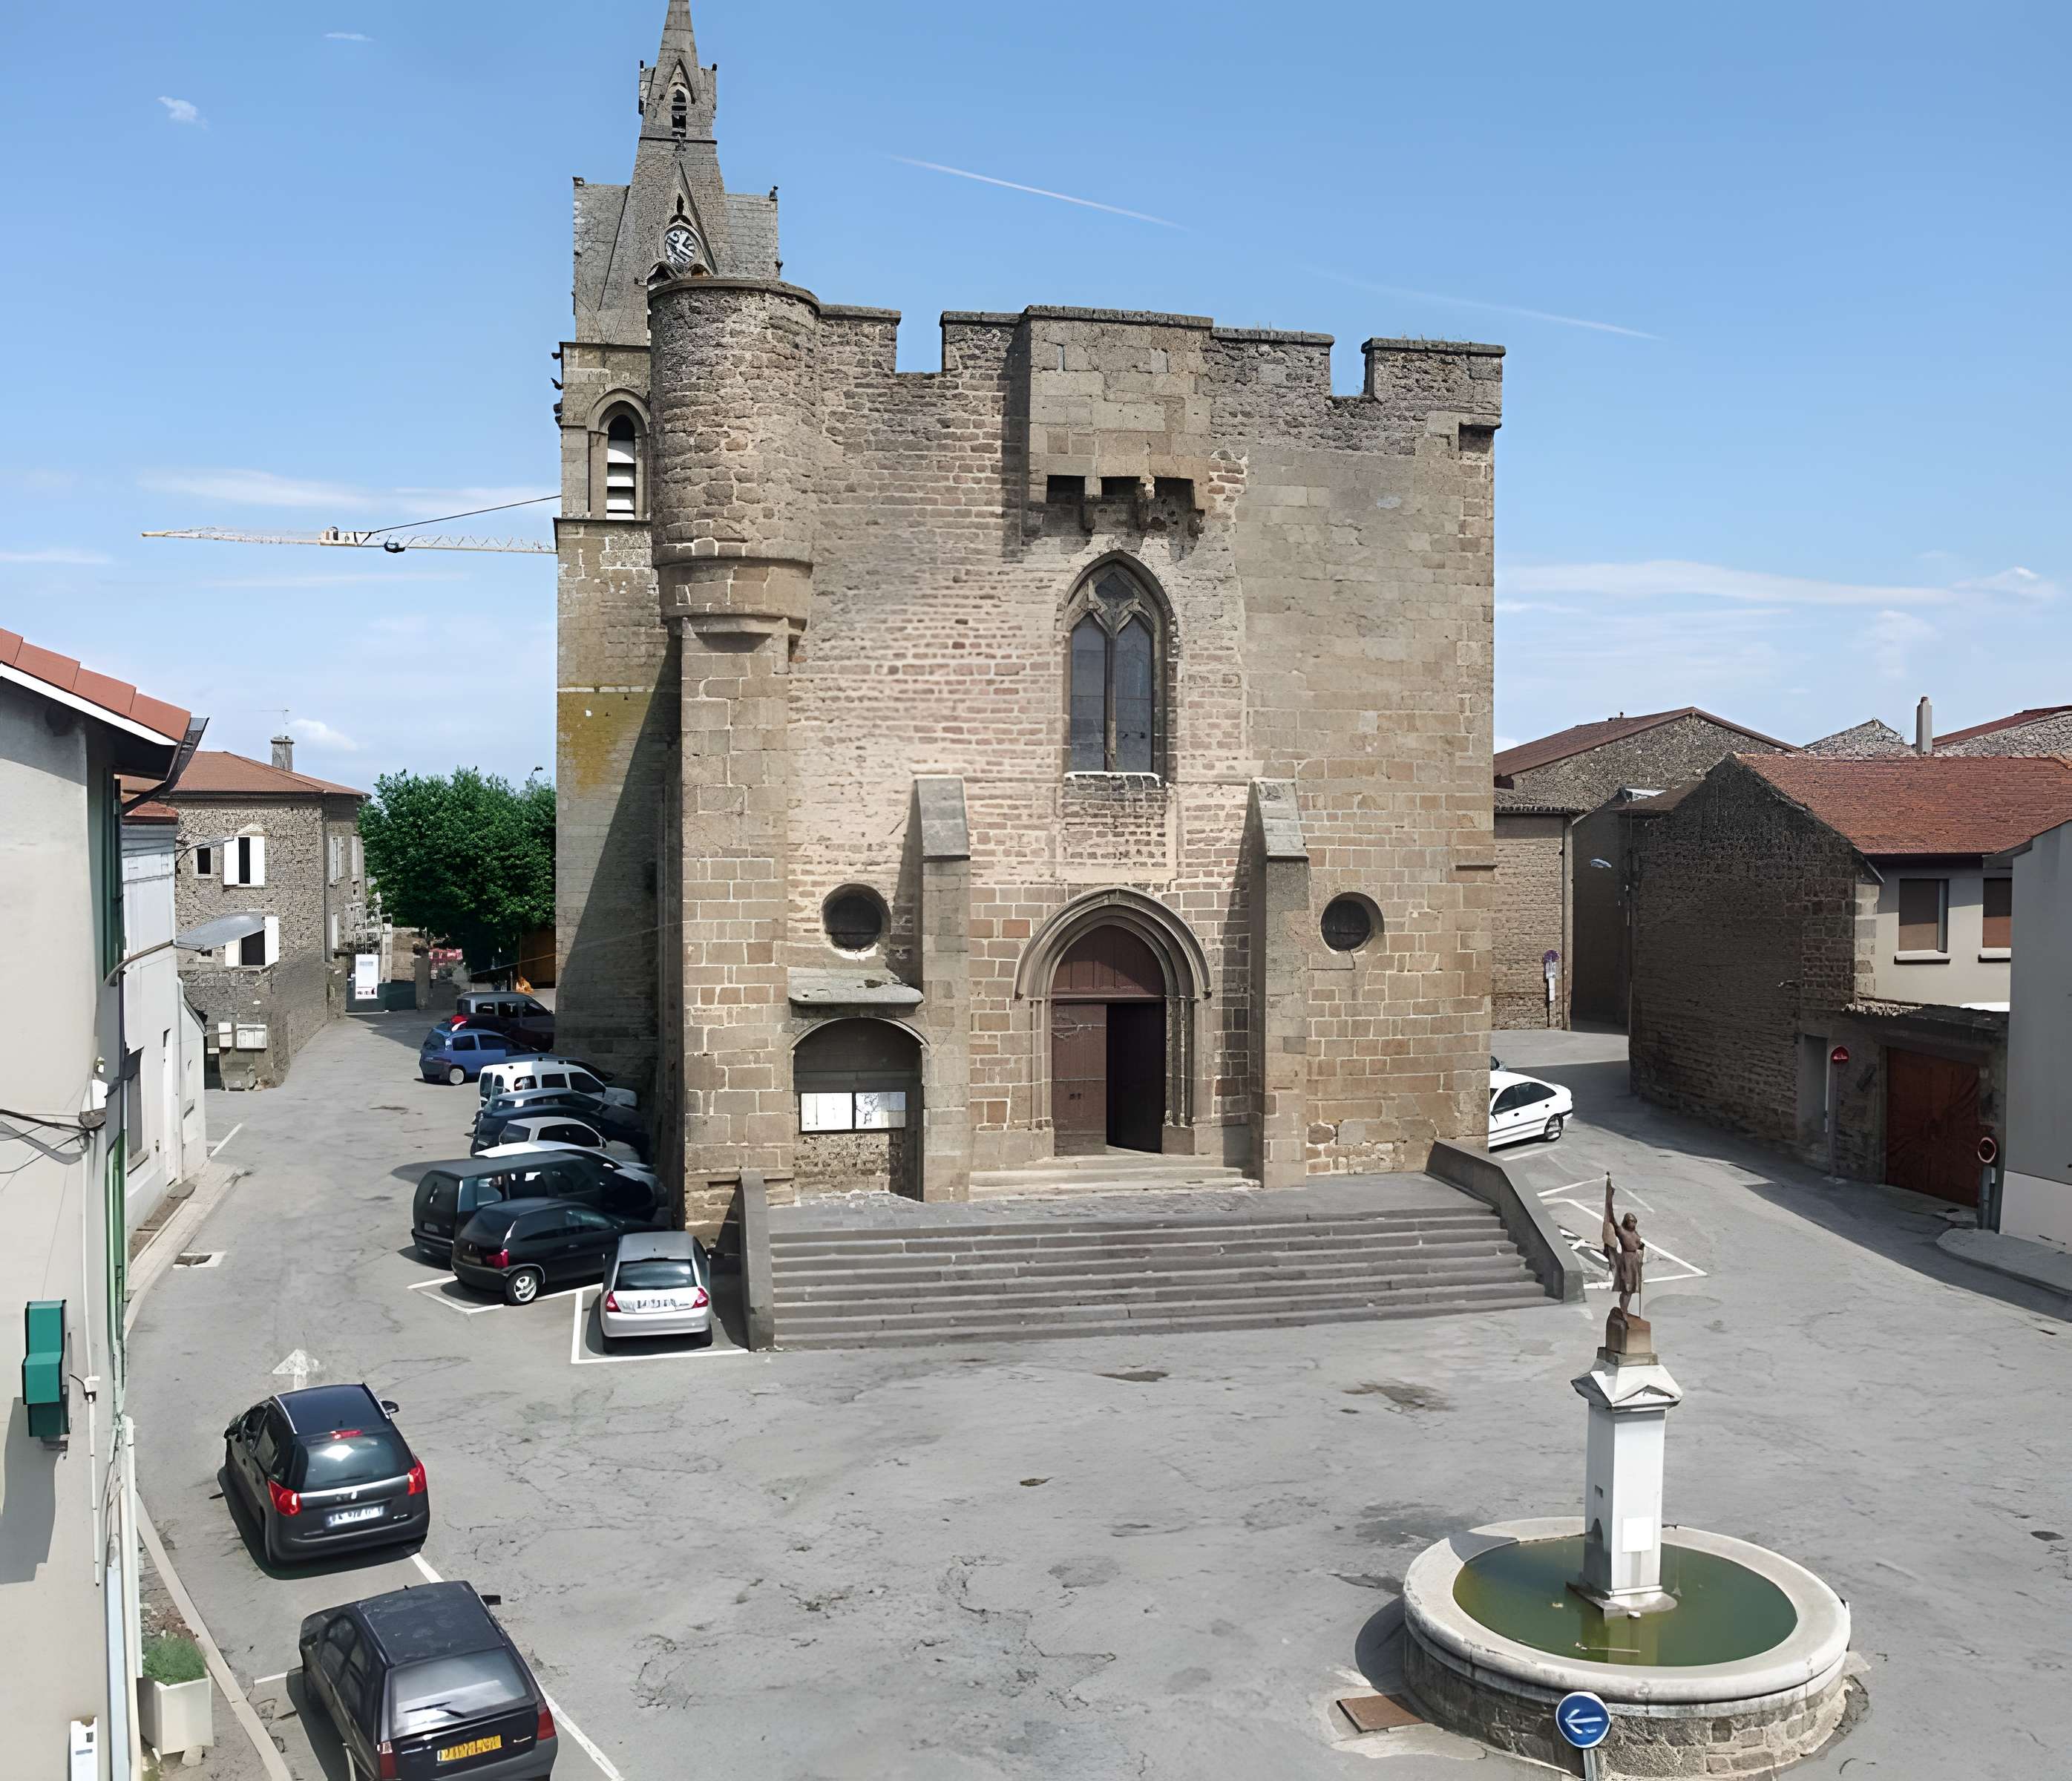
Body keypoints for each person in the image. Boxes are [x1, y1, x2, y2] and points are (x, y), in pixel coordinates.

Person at [1601, 1175, 1645, 1316]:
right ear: (1626, 1221)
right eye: (1631, 1221)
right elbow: (1611, 1216)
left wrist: (1641, 1250)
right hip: (1626, 1261)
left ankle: (1625, 1309)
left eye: (1634, 1221)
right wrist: (1610, 1197)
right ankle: (1623, 1310)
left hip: (1634, 1261)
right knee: (1627, 1288)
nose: (1633, 1223)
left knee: (1631, 1289)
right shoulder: (1621, 1231)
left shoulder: (1634, 1232)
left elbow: (1639, 1245)